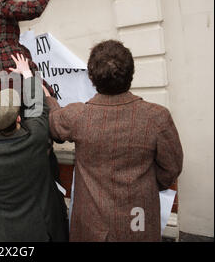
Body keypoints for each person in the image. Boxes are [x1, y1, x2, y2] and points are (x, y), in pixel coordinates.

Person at [46, 40, 184, 241]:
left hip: (92, 224)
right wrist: (144, 185)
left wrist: (47, 97)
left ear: (92, 78)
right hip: (139, 221)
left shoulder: (78, 116)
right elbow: (171, 168)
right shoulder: (157, 117)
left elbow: (52, 122)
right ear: (131, 74)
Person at [0, 54, 69, 242]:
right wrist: (27, 73)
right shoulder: (36, 137)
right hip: (46, 228)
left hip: (10, 235)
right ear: (18, 118)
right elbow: (38, 106)